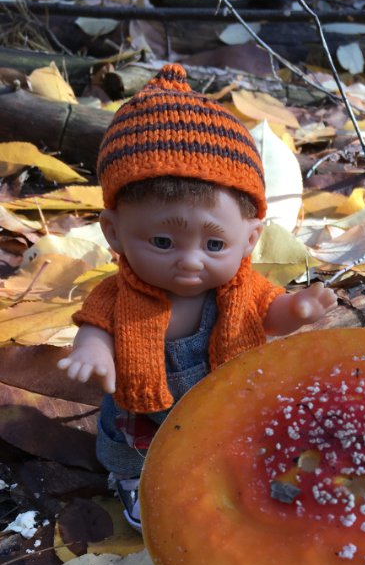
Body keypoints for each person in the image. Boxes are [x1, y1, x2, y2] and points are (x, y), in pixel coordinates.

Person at [58, 63, 336, 529]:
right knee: (133, 451)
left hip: (218, 394)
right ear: (115, 232)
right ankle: (134, 484)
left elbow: (272, 315)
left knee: (227, 438)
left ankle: (224, 474)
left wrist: (299, 309)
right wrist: (93, 354)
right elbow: (96, 327)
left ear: (250, 239)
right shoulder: (116, 293)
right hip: (142, 404)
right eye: (163, 243)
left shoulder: (244, 290)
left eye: (214, 245)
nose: (190, 261)